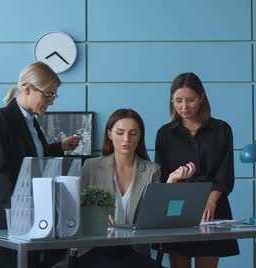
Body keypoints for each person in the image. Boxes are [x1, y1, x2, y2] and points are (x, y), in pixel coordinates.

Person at [0, 61, 83, 268]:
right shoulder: (0, 118)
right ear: (28, 89)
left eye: (54, 95)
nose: (51, 101)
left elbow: (31, 158)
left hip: (31, 213)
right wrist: (19, 211)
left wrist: (60, 146)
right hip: (7, 215)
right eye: (48, 94)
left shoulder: (31, 122)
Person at [77, 108, 196, 268]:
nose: (126, 139)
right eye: (120, 132)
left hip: (133, 250)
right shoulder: (92, 166)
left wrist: (171, 182)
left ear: (140, 136)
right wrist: (95, 217)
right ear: (110, 134)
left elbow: (155, 216)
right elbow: (77, 208)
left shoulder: (152, 170)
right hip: (95, 249)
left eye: (133, 133)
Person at [155, 72, 240, 268]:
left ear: (201, 97)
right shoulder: (165, 134)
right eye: (178, 101)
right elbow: (161, 178)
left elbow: (225, 173)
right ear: (171, 100)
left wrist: (210, 200)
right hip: (177, 208)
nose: (184, 107)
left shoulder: (222, 129)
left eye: (190, 100)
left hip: (213, 206)